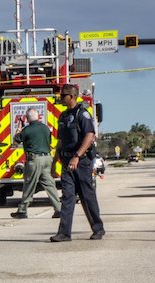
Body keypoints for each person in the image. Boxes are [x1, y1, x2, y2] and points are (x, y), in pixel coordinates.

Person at [50, 84, 105, 242]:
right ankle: (64, 233)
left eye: (63, 96)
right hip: (67, 162)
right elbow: (60, 141)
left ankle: (98, 228)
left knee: (87, 196)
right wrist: (54, 162)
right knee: (67, 197)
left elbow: (89, 136)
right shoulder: (63, 116)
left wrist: (77, 156)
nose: (60, 98)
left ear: (71, 96)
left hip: (81, 162)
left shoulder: (83, 114)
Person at [10, 108, 62, 219]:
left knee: (29, 185)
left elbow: (15, 141)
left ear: (27, 118)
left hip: (34, 160)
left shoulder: (26, 130)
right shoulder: (46, 128)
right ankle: (59, 209)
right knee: (50, 184)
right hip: (47, 158)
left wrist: (19, 128)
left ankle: (22, 210)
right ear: (38, 117)